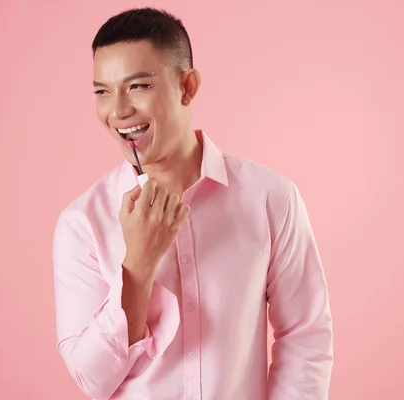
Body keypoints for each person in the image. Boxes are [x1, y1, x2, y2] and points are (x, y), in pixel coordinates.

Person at [52, 7, 333, 400]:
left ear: (187, 86)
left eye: (138, 86)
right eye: (102, 91)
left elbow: (305, 335)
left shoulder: (270, 197)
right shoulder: (81, 224)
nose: (117, 111)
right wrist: (138, 266)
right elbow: (92, 380)